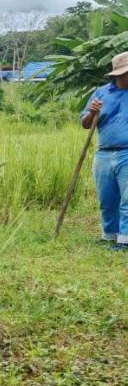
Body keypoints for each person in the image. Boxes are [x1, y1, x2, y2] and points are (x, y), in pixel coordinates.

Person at [82, 49, 128, 250]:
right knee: (107, 199)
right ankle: (109, 236)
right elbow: (85, 124)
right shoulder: (101, 93)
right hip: (104, 153)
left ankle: (124, 240)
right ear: (119, 74)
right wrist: (92, 113)